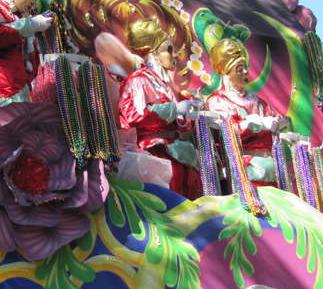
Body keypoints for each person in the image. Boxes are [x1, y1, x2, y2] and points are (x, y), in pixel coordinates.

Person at [118, 18, 202, 200]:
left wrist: (194, 116)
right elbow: (136, 116)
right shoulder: (139, 80)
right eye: (169, 50)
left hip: (183, 159)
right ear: (154, 53)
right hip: (158, 158)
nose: (175, 56)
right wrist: (174, 109)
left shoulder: (170, 86)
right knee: (170, 212)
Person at [206, 38, 286, 187]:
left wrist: (280, 123)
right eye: (239, 68)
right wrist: (259, 123)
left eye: (245, 67)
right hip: (242, 172)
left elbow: (280, 119)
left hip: (270, 171)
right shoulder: (217, 101)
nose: (245, 71)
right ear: (226, 73)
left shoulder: (257, 101)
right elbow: (226, 132)